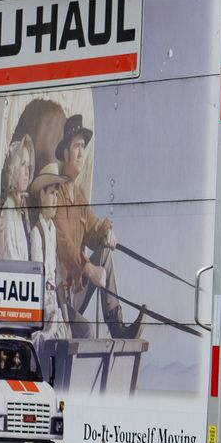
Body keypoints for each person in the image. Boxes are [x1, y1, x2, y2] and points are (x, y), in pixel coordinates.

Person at [51, 114, 143, 340]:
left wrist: (106, 233)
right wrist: (90, 270)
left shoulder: (79, 197)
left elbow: (93, 228)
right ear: (65, 153)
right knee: (87, 333)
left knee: (105, 255)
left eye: (83, 147)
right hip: (60, 297)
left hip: (77, 290)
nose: (82, 153)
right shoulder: (57, 193)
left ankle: (117, 328)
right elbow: (63, 244)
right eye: (76, 147)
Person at [28, 160, 72, 341]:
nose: (56, 199)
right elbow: (37, 279)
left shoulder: (53, 230)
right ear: (42, 196)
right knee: (53, 331)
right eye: (52, 193)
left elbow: (57, 277)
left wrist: (65, 314)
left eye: (57, 194)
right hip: (42, 303)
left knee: (68, 332)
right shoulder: (37, 233)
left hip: (53, 299)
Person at [0, 136, 33, 260]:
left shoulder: (19, 210)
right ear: (14, 168)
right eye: (23, 165)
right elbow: (10, 261)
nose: (27, 172)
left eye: (28, 166)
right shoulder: (8, 210)